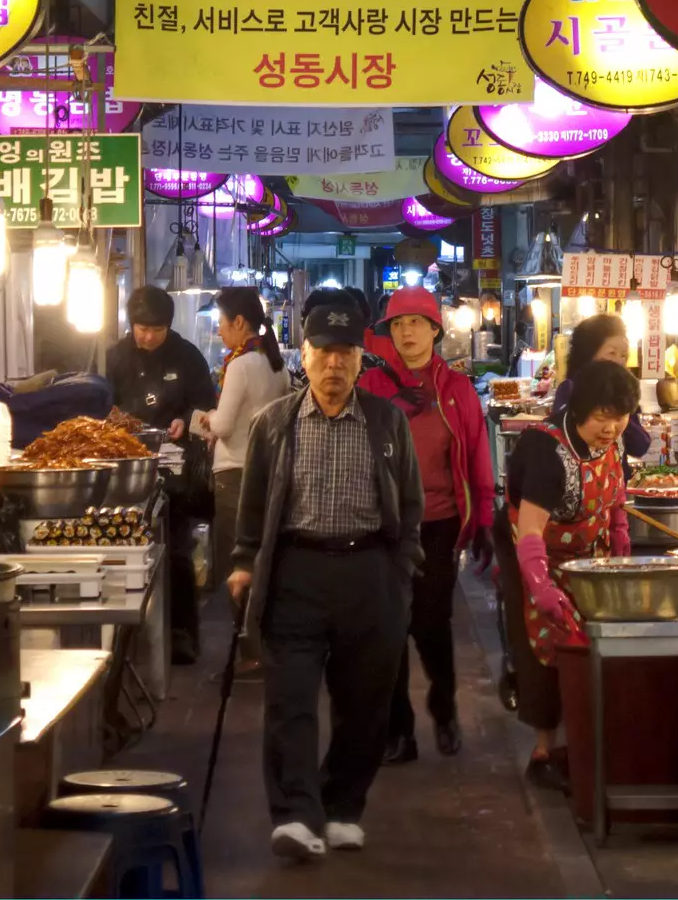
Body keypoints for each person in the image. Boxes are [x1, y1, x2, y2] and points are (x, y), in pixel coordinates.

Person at [228, 289, 424, 863]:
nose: (334, 363)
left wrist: (401, 571)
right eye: (323, 352)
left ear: (361, 360)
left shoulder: (387, 423)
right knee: (289, 701)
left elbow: (409, 506)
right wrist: (244, 563)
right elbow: (254, 503)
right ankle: (295, 815)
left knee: (366, 705)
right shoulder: (274, 423)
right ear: (304, 355)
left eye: (346, 353)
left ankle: (341, 808)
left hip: (370, 574)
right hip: (296, 573)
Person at [358, 286, 494, 762]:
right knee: (388, 628)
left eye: (416, 323)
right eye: (397, 325)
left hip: (439, 522)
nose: (406, 332)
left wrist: (485, 522)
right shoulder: (370, 388)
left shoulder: (456, 391)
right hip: (382, 525)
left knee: (431, 622)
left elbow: (478, 457)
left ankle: (444, 706)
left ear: (435, 330)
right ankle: (399, 731)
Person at [494, 359, 640, 790]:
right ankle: (543, 751)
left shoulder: (613, 441)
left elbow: (615, 494)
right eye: (601, 418)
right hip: (532, 549)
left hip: (585, 551)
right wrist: (540, 586)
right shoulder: (547, 452)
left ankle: (584, 741)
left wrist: (619, 532)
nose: (611, 428)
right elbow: (531, 531)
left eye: (620, 418)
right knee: (545, 642)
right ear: (578, 410)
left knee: (587, 638)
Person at [106, 285, 218, 664]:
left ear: (169, 326)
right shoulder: (115, 357)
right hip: (125, 468)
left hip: (176, 470)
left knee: (176, 551)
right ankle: (127, 642)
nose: (148, 336)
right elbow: (101, 404)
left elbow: (207, 402)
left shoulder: (187, 356)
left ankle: (182, 635)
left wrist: (184, 421)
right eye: (141, 328)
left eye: (156, 329)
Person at [206, 286, 291, 641]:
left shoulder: (240, 365)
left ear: (239, 322)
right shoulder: (277, 363)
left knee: (237, 564)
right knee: (264, 559)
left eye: (222, 323)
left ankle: (248, 650)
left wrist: (204, 418)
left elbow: (223, 426)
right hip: (268, 472)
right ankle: (262, 643)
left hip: (234, 477)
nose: (219, 331)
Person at [549, 313, 652, 459]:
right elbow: (560, 439)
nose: (619, 362)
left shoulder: (622, 394)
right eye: (612, 353)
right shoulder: (571, 389)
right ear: (587, 354)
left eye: (623, 355)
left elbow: (640, 445)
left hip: (615, 479)